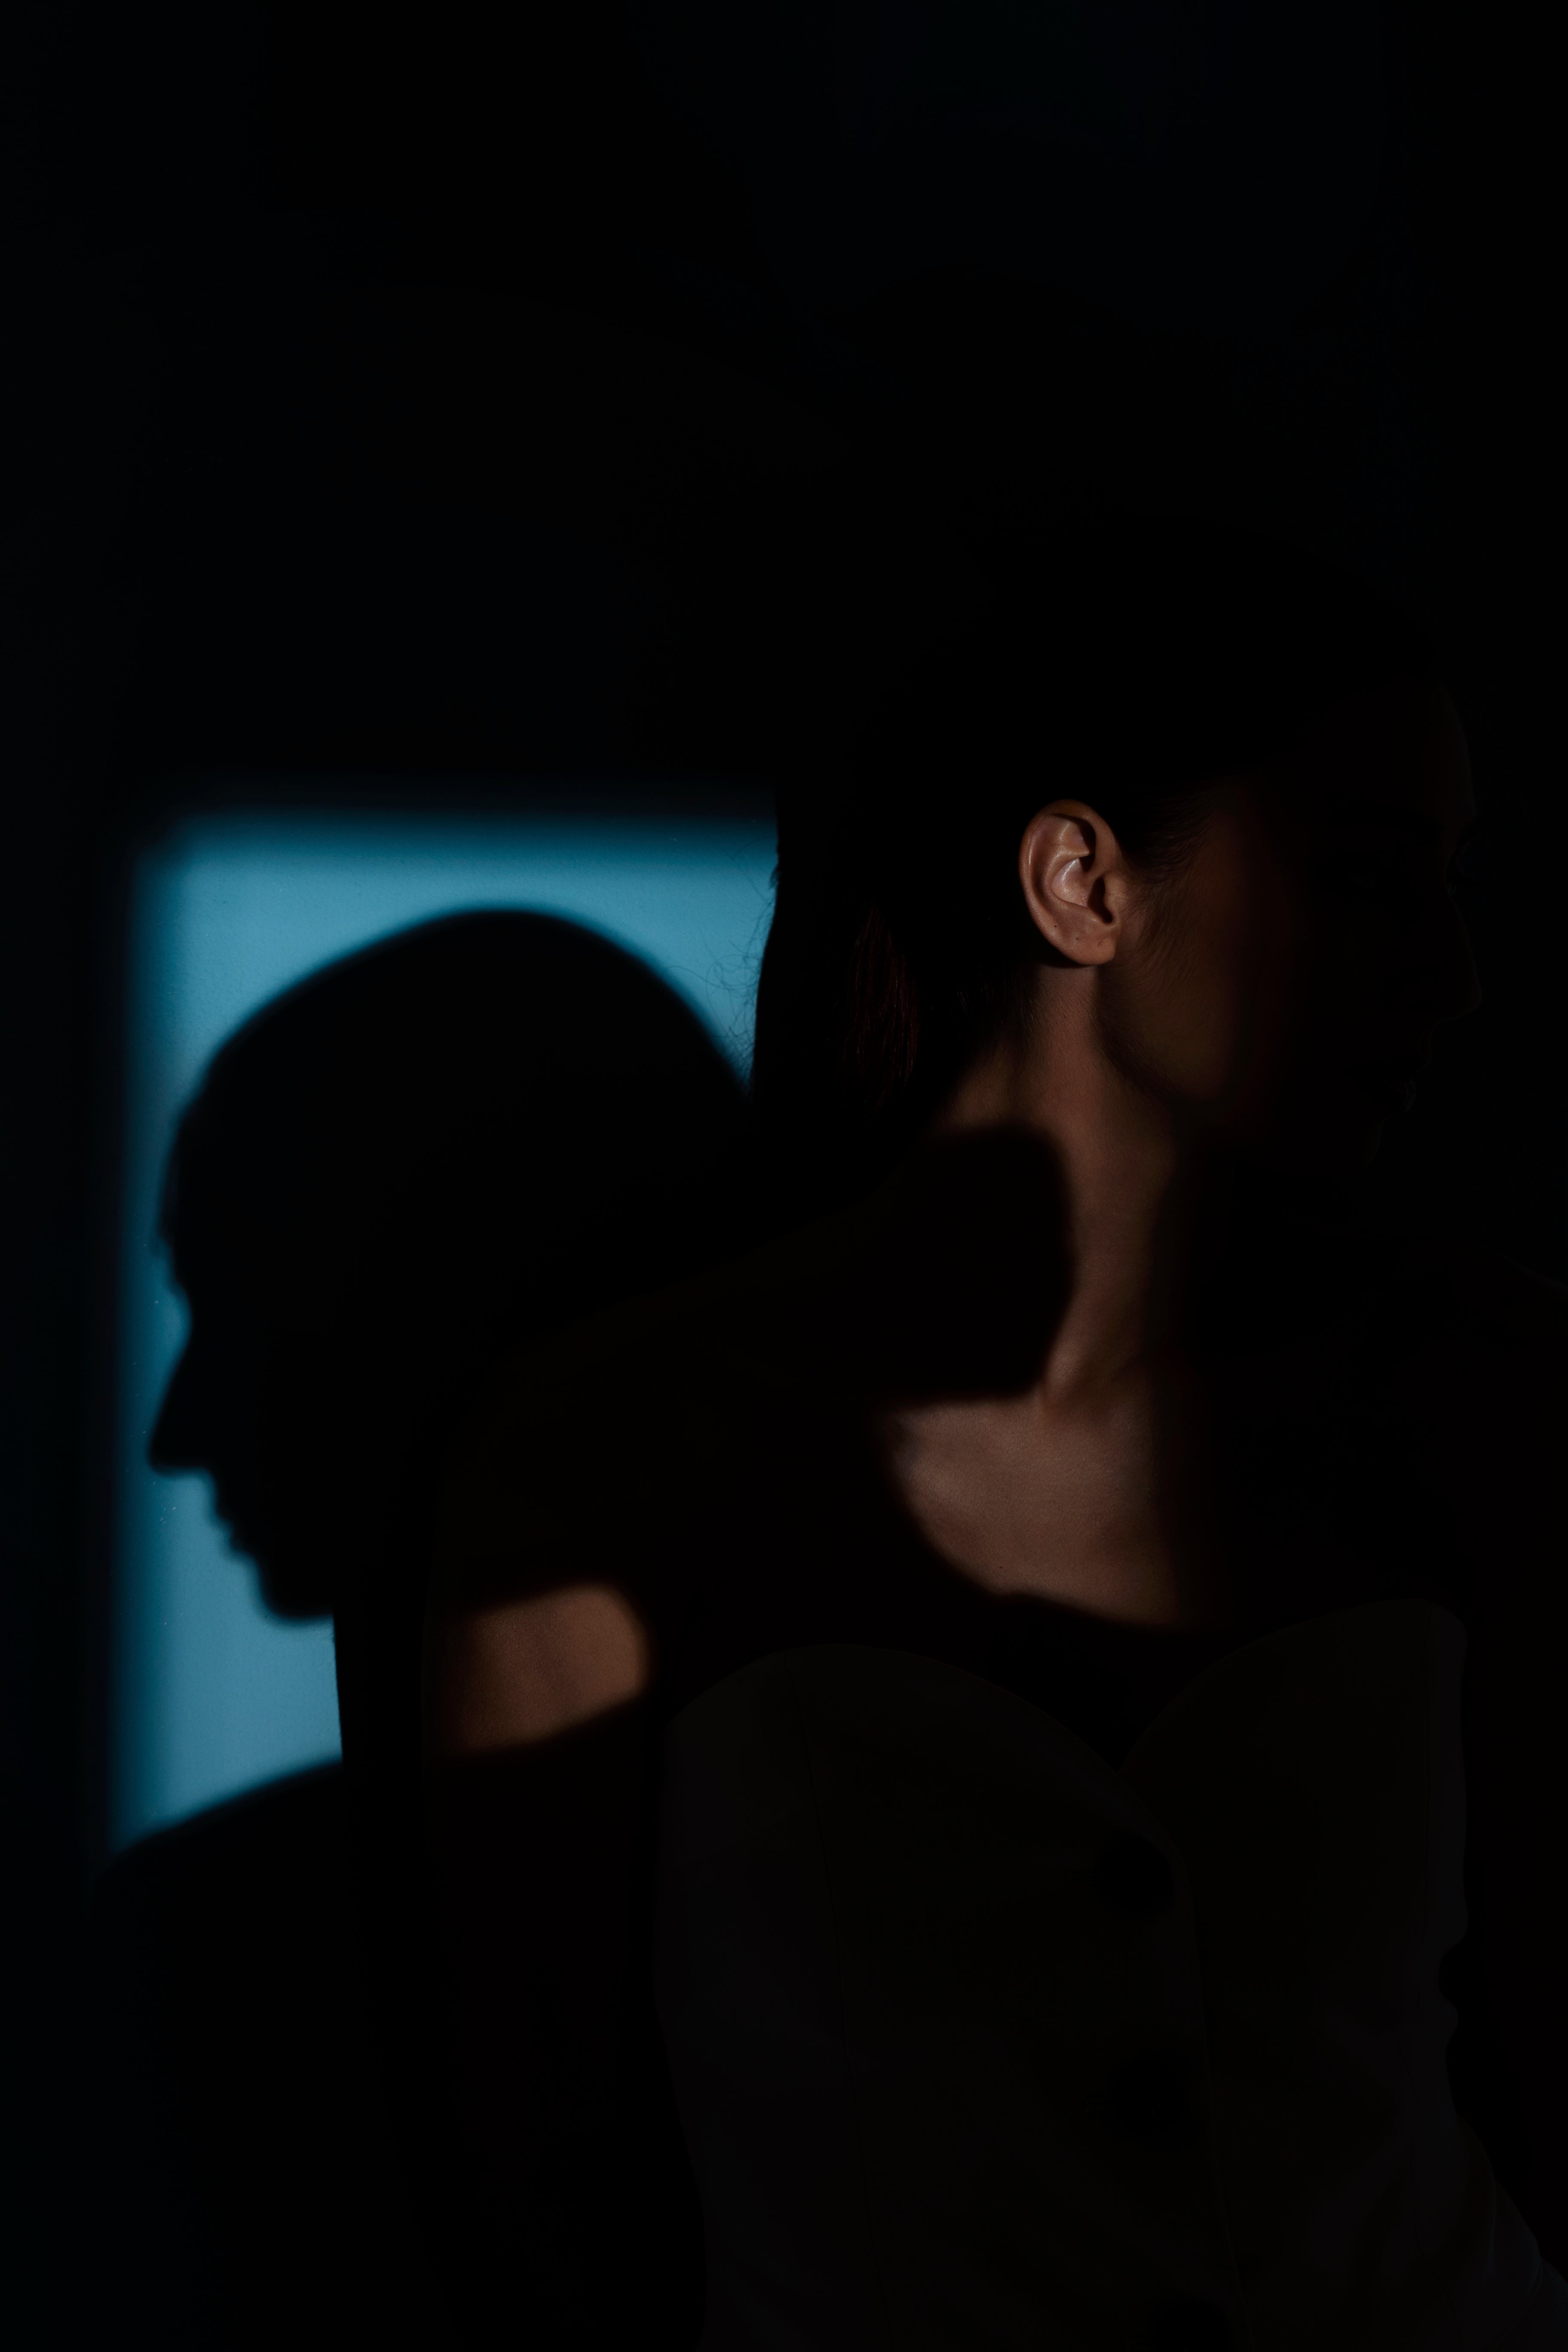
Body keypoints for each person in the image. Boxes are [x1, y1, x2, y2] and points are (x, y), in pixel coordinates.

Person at [425, 505, 1568, 2350]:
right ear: (1079, 883)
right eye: (1368, 877)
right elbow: (543, 2213)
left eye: (1451, 881)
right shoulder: (602, 1466)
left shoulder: (1481, 1404)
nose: (1457, 972)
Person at [86, 909, 756, 2350]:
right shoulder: (849, 1909)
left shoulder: (201, 1977)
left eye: (237, 1296)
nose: (174, 1431)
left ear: (435, 1300)